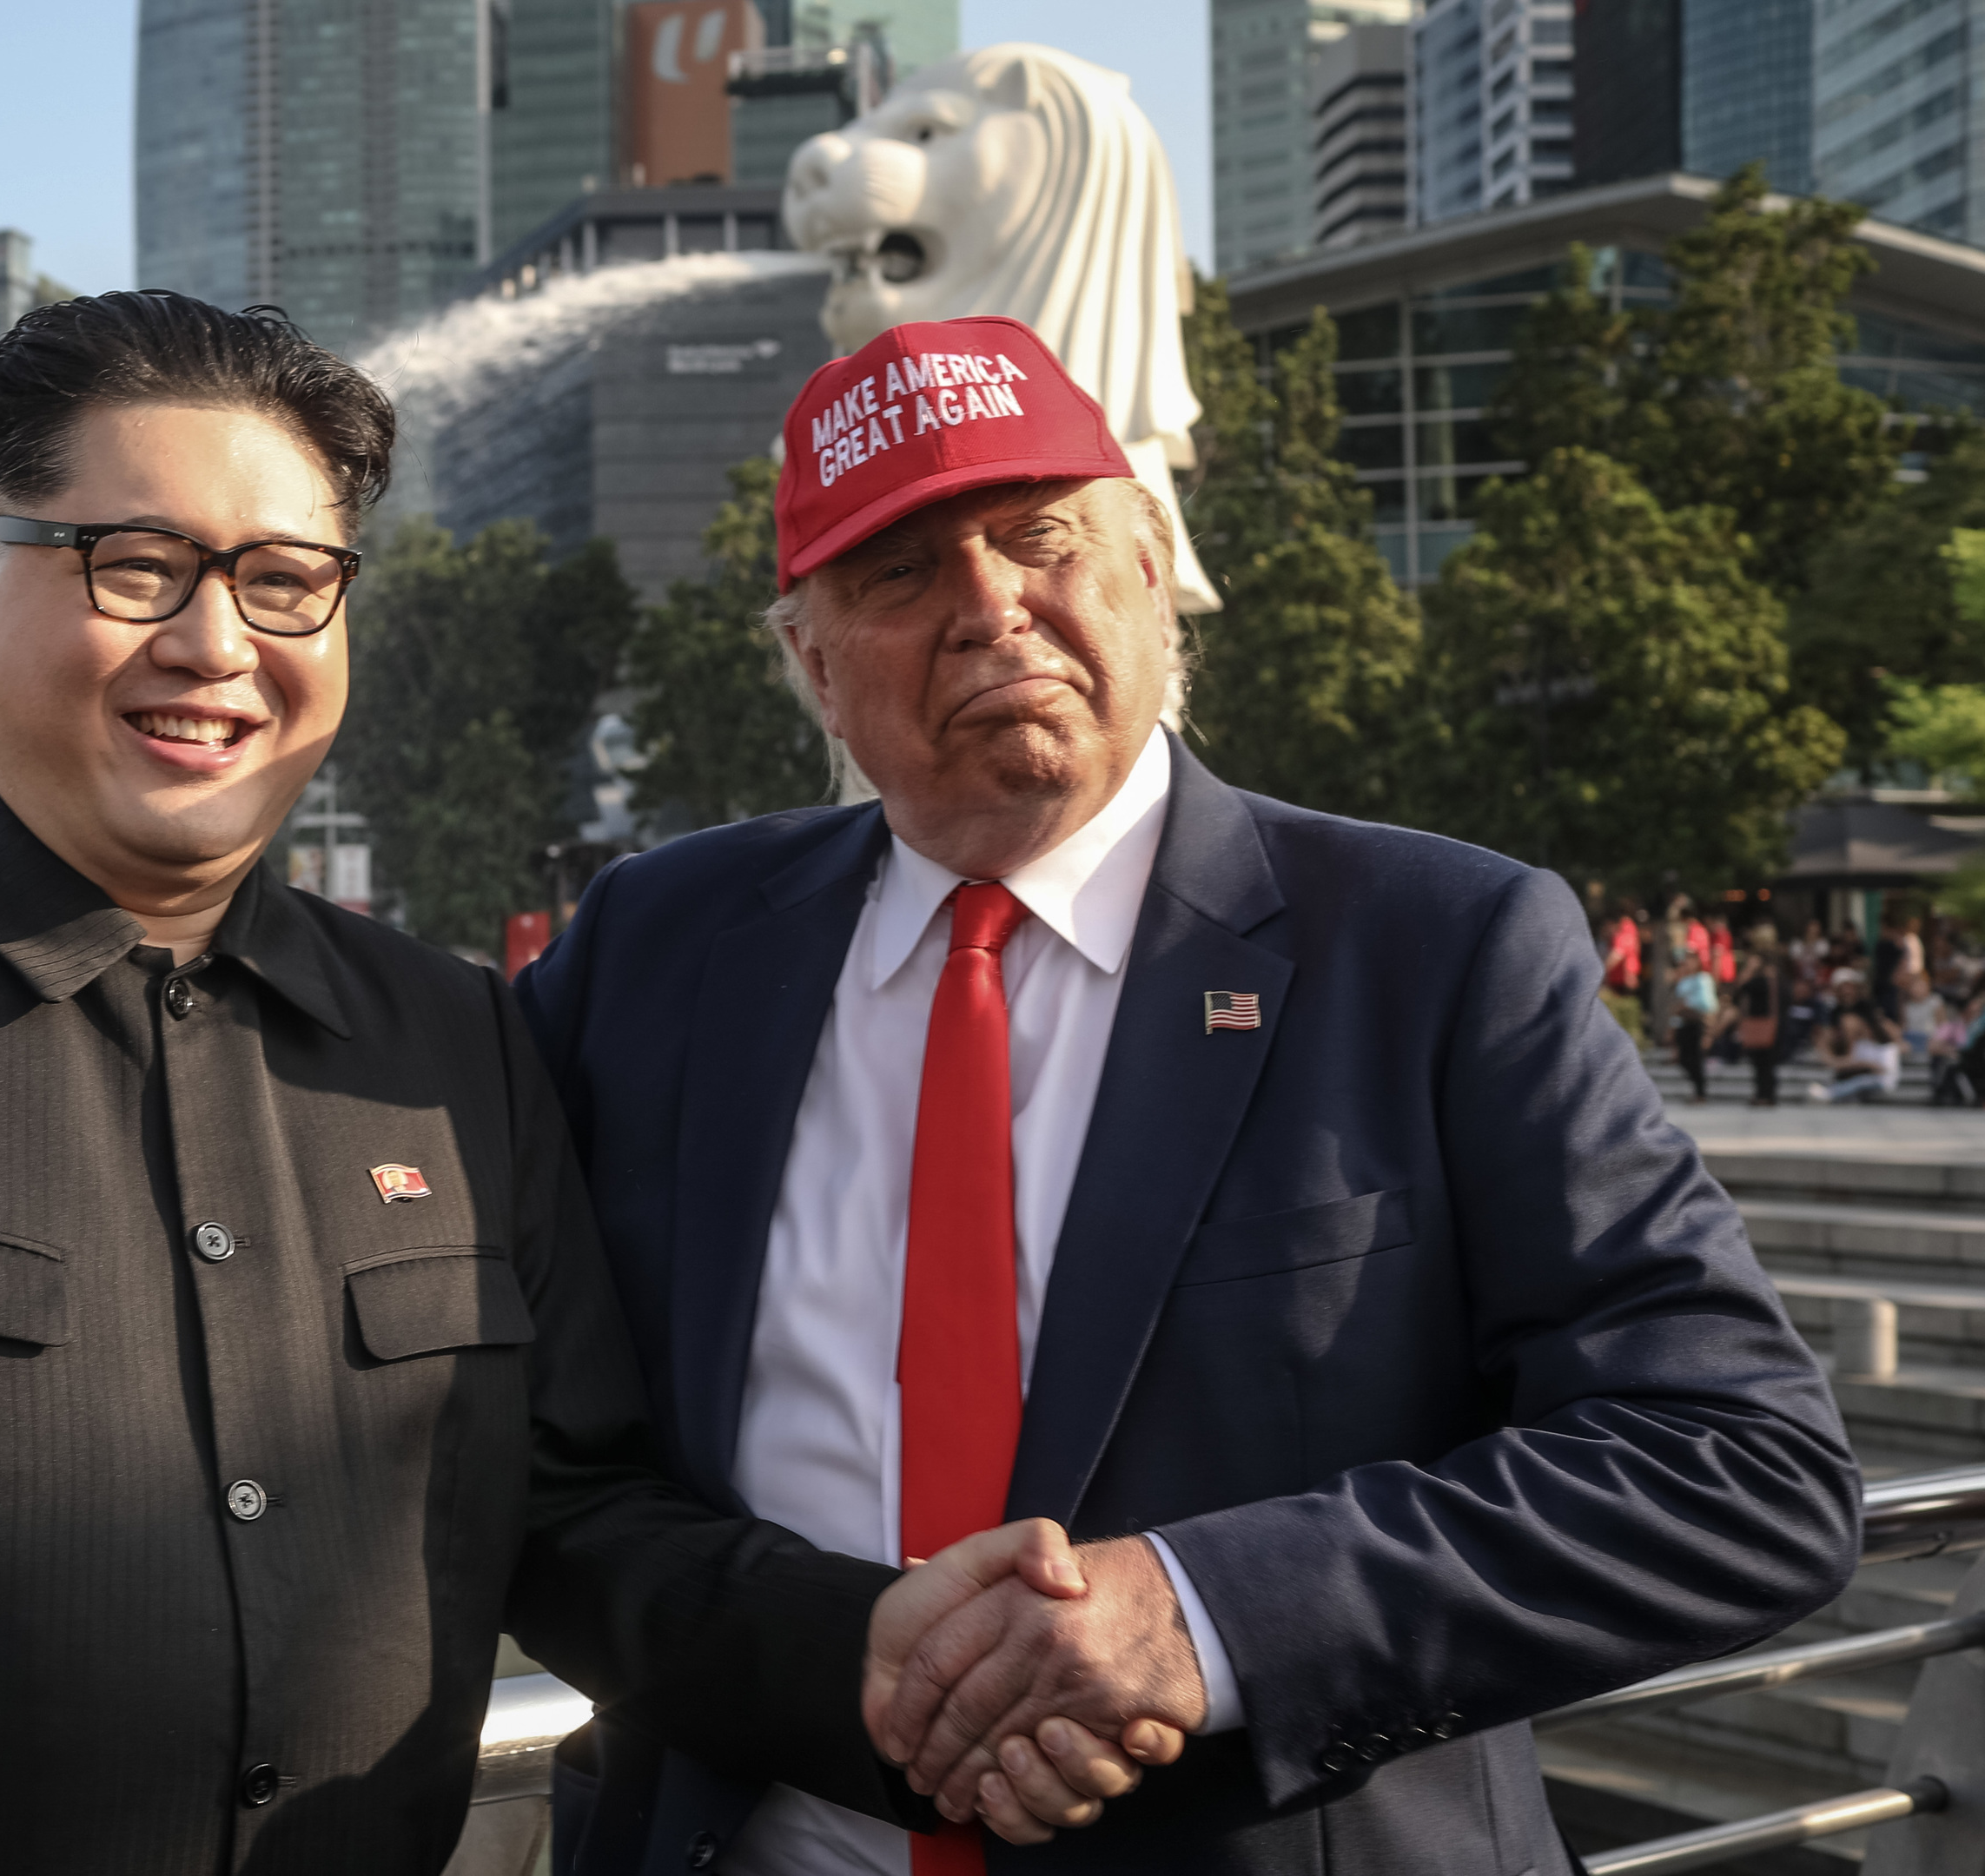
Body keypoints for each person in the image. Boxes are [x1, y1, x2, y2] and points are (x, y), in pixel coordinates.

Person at [0, 294, 1150, 1876]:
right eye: (132, 563)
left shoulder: (453, 1041)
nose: (212, 640)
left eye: (281, 579)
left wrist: (875, 1649)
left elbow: (578, 1513)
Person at [513, 315, 1855, 1871]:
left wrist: (1203, 1615)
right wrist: (834, 1657)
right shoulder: (658, 949)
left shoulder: (1435, 948)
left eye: (1040, 538)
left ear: (1155, 575)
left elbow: (1740, 1468)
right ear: (810, 663)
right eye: (900, 573)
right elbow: (536, 1465)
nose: (991, 606)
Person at [1812, 1008, 1904, 1103]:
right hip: (1866, 1076)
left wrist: (1866, 1065)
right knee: (1854, 1078)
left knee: (1861, 1081)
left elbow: (1885, 1070)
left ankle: (1829, 1094)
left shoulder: (1889, 1048)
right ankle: (1831, 1091)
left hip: (1883, 1082)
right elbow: (1854, 1062)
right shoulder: (1862, 1044)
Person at [1736, 935, 1784, 1107]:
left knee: (1763, 1064)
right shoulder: (1776, 980)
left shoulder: (1760, 980)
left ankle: (1765, 1095)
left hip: (1763, 1026)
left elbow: (1741, 987)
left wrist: (1748, 970)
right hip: (1772, 1025)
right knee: (1765, 1064)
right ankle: (1766, 1095)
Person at [1672, 947, 1717, 1102]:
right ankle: (1697, 1089)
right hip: (1684, 1024)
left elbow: (1707, 1003)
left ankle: (1700, 1093)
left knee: (1696, 1058)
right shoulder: (1683, 981)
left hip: (1698, 1022)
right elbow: (1677, 1006)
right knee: (1684, 1059)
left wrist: (1688, 1004)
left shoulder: (1703, 979)